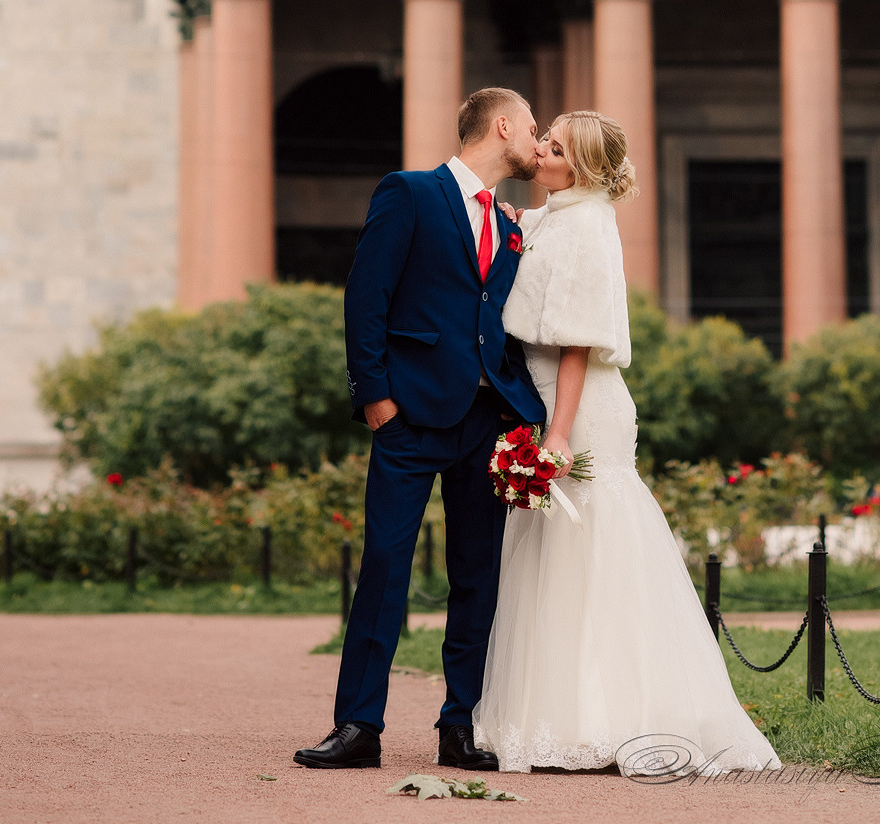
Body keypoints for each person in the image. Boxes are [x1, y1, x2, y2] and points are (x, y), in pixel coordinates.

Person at [473, 111, 781, 776]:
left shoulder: (585, 224)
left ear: (577, 169)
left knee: (590, 546)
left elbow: (579, 337)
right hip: (543, 392)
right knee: (550, 552)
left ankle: (610, 715)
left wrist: (557, 431)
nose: (539, 152)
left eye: (551, 148)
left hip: (578, 403)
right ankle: (555, 711)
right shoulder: (556, 213)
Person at [294, 88, 547, 773]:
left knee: (478, 577)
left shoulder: (513, 222)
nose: (538, 136)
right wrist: (375, 399)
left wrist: (523, 413)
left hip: (488, 424)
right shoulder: (409, 192)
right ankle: (357, 727)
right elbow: (366, 295)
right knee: (383, 570)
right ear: (501, 126)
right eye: (532, 125)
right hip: (409, 417)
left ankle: (459, 726)